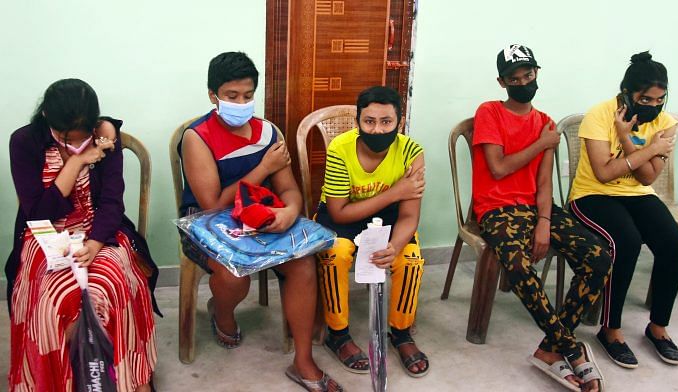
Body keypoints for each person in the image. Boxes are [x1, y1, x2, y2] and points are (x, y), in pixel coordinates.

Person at [178, 51, 342, 391]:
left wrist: (289, 212)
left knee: (303, 264)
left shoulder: (267, 133)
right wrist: (262, 169)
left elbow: (290, 190)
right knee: (235, 276)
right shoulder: (198, 138)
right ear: (213, 95)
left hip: (261, 220)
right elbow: (211, 206)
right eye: (231, 96)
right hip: (210, 226)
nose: (241, 103)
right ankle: (221, 313)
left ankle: (302, 361)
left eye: (248, 95)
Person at [473, 45, 612, 392]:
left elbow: (545, 181)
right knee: (518, 266)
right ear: (502, 82)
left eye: (528, 75)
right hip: (496, 208)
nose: (522, 82)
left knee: (599, 257)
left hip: (536, 208)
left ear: (537, 73)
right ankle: (570, 348)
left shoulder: (545, 122)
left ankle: (550, 349)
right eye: (514, 78)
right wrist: (543, 143)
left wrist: (544, 222)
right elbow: (499, 167)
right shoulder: (489, 111)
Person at [7, 78, 159, 391]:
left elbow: (112, 202)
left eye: (82, 137)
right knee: (58, 298)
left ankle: (129, 375)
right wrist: (76, 162)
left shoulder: (104, 134)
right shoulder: (24, 142)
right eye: (66, 138)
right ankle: (62, 378)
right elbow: (37, 214)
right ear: (47, 116)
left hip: (99, 231)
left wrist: (95, 242)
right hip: (45, 235)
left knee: (110, 285)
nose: (76, 142)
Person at [568, 52, 678, 368]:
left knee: (674, 245)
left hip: (637, 193)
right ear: (626, 92)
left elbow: (646, 177)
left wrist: (626, 139)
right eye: (645, 99)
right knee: (627, 242)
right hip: (592, 195)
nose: (653, 106)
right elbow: (604, 173)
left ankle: (658, 327)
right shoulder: (600, 114)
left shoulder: (666, 123)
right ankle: (611, 329)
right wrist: (651, 148)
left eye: (660, 99)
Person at [316, 86, 430, 378]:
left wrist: (395, 245)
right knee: (334, 254)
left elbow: (409, 216)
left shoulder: (411, 152)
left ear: (399, 123)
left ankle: (401, 333)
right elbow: (340, 212)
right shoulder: (340, 149)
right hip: (342, 215)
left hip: (390, 219)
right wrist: (395, 192)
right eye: (369, 121)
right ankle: (337, 334)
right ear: (357, 122)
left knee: (411, 258)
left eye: (386, 122)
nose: (377, 130)